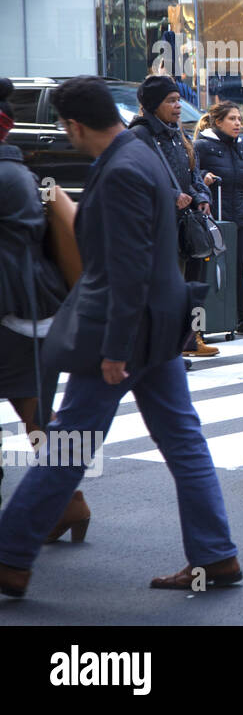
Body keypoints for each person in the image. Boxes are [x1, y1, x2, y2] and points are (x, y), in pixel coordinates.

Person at [0, 78, 240, 599]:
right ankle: (215, 555)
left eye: (67, 129)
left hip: (123, 330)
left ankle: (10, 556)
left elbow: (127, 269)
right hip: (156, 325)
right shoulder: (141, 152)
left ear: (74, 125)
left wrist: (114, 349)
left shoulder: (123, 169)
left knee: (69, 441)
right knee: (182, 440)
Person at [0, 78, 82, 530]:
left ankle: (68, 503)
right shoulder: (20, 171)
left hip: (9, 308)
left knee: (34, 410)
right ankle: (69, 504)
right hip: (26, 306)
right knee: (33, 409)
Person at [127, 75, 218, 358]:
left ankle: (190, 340)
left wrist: (202, 198)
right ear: (154, 105)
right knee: (167, 288)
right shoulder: (139, 136)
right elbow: (136, 179)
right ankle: (166, 348)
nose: (178, 106)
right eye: (171, 101)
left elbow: (192, 175)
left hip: (186, 224)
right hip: (158, 225)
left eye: (179, 99)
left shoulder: (176, 133)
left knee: (189, 286)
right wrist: (171, 196)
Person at [194, 102, 243, 336]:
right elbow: (191, 175)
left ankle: (242, 318)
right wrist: (204, 177)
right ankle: (204, 321)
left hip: (239, 219)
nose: (238, 123)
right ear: (218, 122)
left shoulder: (242, 148)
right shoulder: (203, 146)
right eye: (232, 119)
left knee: (239, 270)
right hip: (214, 218)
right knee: (210, 270)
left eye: (238, 118)